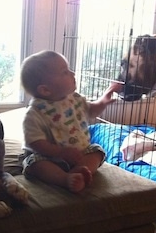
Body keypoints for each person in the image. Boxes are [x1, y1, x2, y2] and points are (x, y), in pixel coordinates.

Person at [21, 50, 122, 193]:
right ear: (45, 90)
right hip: (49, 158)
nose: (72, 73)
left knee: (97, 151)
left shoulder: (74, 100)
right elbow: (35, 143)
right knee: (34, 164)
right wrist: (60, 152)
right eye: (64, 72)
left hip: (79, 155)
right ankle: (64, 179)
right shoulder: (35, 113)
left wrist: (103, 100)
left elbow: (91, 111)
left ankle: (79, 171)